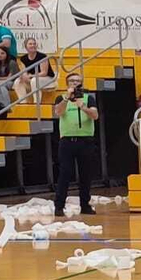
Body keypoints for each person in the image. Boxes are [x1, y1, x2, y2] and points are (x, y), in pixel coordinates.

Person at [53, 75, 99, 216]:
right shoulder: (61, 98)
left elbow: (95, 115)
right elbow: (58, 112)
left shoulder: (88, 98)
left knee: (85, 174)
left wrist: (82, 106)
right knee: (65, 173)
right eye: (72, 81)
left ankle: (85, 205)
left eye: (78, 81)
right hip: (67, 141)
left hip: (86, 140)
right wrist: (67, 98)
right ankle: (59, 206)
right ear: (67, 84)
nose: (75, 83)